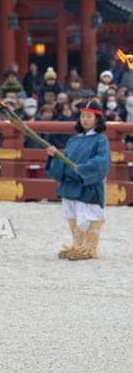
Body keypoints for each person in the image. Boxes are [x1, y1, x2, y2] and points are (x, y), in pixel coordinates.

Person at [46, 101, 111, 260]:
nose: (85, 119)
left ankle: (90, 248)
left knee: (89, 215)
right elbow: (66, 160)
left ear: (97, 119)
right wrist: (55, 156)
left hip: (88, 184)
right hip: (71, 184)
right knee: (73, 214)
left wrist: (82, 168)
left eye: (89, 116)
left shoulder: (101, 139)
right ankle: (77, 244)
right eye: (82, 116)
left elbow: (102, 161)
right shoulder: (74, 140)